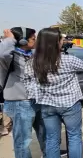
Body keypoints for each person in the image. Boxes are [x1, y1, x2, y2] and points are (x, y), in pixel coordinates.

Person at [23, 28, 83, 158]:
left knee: (52, 139)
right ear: (55, 42)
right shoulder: (68, 60)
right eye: (61, 40)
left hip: (47, 106)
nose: (63, 42)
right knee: (74, 136)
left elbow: (27, 82)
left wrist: (38, 95)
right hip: (70, 104)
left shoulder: (32, 63)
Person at [0, 27, 47, 158]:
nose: (36, 40)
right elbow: (2, 53)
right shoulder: (10, 57)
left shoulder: (29, 54)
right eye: (33, 38)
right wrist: (9, 39)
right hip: (19, 103)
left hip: (35, 100)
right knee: (23, 141)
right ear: (22, 41)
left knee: (45, 133)